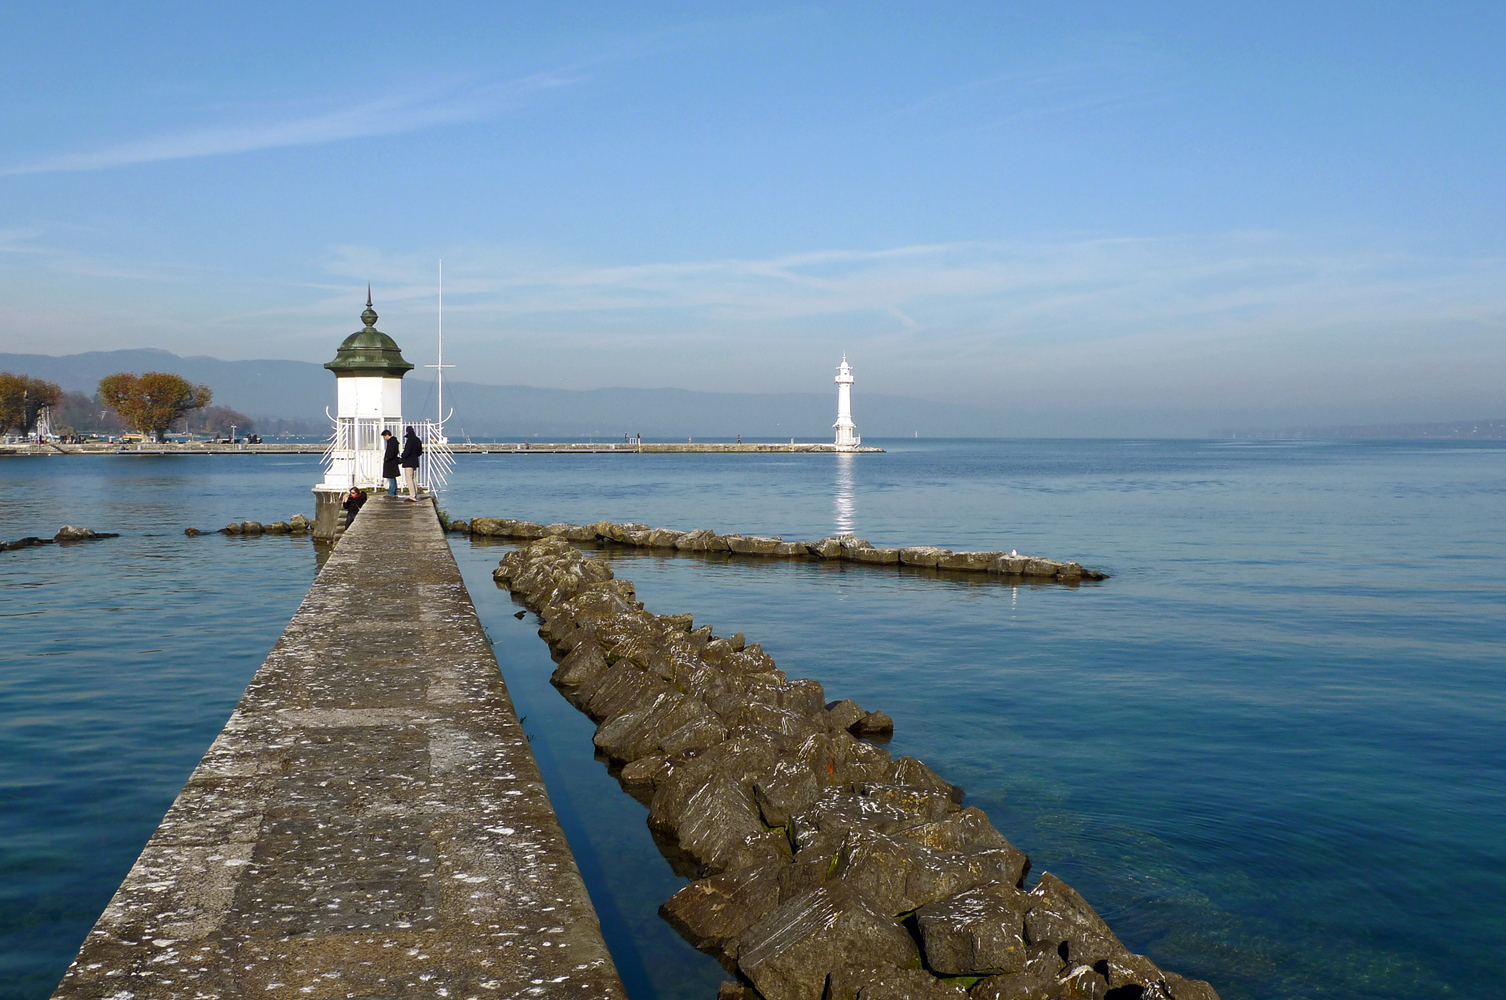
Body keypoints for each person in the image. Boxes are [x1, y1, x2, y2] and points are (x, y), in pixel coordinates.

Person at [400, 426, 424, 501]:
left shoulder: (410, 441)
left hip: (408, 462)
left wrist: (402, 455)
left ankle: (412, 496)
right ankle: (415, 494)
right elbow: (420, 452)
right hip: (415, 461)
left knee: (409, 479)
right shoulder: (418, 440)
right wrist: (415, 456)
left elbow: (407, 451)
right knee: (414, 479)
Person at [380, 429, 400, 497]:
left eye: (384, 436)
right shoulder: (394, 441)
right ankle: (393, 492)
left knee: (391, 478)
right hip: (393, 462)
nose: (384, 438)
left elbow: (391, 452)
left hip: (390, 463)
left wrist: (387, 458)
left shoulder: (391, 442)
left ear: (387, 435)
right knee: (392, 478)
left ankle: (391, 493)